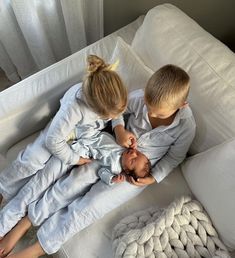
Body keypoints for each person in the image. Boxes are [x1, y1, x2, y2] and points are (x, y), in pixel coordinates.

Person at [1, 64, 196, 258]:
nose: (151, 114)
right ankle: (23, 223)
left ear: (182, 105)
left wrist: (153, 177)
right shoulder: (140, 98)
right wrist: (120, 130)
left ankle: (36, 250)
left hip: (137, 172)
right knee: (68, 185)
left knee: (90, 206)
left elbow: (174, 157)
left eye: (159, 113)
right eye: (148, 106)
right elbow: (118, 111)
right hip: (112, 148)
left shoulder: (186, 126)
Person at [0, 55, 127, 203]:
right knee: (34, 158)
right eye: (108, 117)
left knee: (56, 176)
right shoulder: (73, 108)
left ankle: (29, 197)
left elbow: (117, 112)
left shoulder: (113, 97)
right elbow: (53, 140)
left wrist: (119, 128)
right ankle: (3, 187)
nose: (112, 118)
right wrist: (75, 159)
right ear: (95, 108)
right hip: (66, 132)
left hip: (87, 135)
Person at [0, 133, 151, 256]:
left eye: (133, 161)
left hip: (83, 166)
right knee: (40, 183)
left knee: (61, 193)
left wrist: (112, 179)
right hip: (72, 149)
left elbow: (102, 172)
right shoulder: (120, 141)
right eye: (137, 154)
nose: (133, 154)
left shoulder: (116, 167)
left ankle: (28, 220)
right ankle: (6, 224)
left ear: (125, 169)